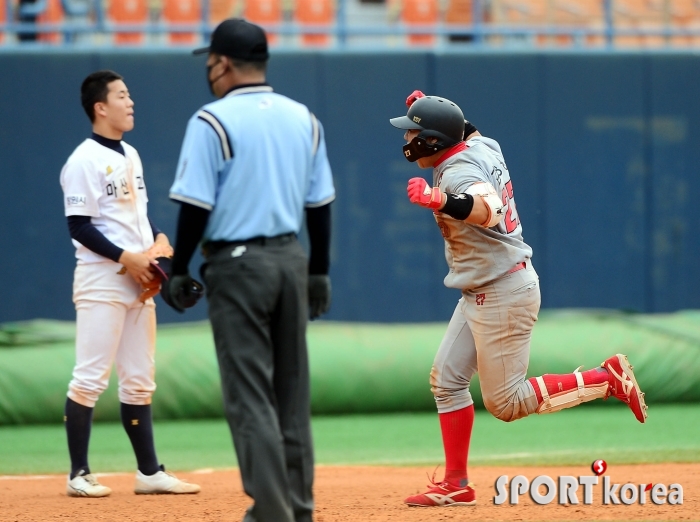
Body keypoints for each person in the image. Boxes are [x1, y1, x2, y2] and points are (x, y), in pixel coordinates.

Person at [390, 91, 648, 508]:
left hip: (502, 291)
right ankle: (457, 483)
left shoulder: (456, 174)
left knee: (506, 404)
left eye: (417, 131)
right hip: (485, 287)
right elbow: (464, 127)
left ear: (435, 141)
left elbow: (487, 209)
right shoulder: (480, 143)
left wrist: (438, 199)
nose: (409, 139)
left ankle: (605, 379)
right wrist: (431, 108)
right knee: (448, 380)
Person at [164, 19, 335, 522]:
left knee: (251, 395)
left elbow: (194, 206)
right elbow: (319, 204)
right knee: (291, 392)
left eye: (210, 62)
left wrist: (179, 268)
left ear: (223, 64)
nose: (209, 70)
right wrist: (319, 271)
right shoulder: (304, 117)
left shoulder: (211, 121)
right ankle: (298, 509)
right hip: (291, 259)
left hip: (238, 267)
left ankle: (271, 512)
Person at [59, 70, 201, 498]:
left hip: (139, 279)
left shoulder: (130, 154)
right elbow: (79, 226)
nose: (130, 101)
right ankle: (78, 474)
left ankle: (149, 472)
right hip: (103, 278)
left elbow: (134, 216)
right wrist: (128, 257)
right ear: (100, 107)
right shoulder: (82, 159)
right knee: (89, 377)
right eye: (122, 96)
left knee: (140, 379)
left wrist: (156, 239)